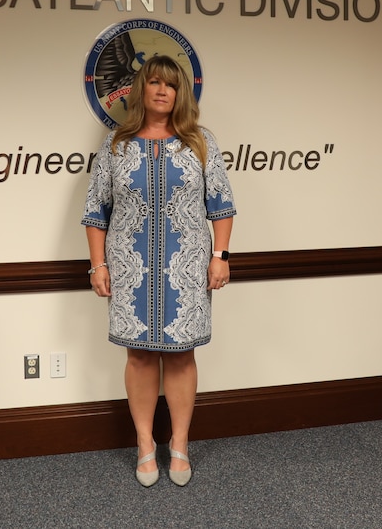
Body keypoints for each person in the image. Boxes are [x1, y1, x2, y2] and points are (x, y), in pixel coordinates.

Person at [81, 55, 235, 488]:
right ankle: (146, 444)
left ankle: (180, 443)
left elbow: (221, 204)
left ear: (180, 92)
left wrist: (220, 256)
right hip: (130, 269)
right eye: (154, 82)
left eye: (171, 84)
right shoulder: (116, 144)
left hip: (186, 268)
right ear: (141, 90)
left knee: (183, 355)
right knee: (140, 354)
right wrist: (98, 265)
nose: (162, 91)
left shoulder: (201, 142)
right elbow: (96, 211)